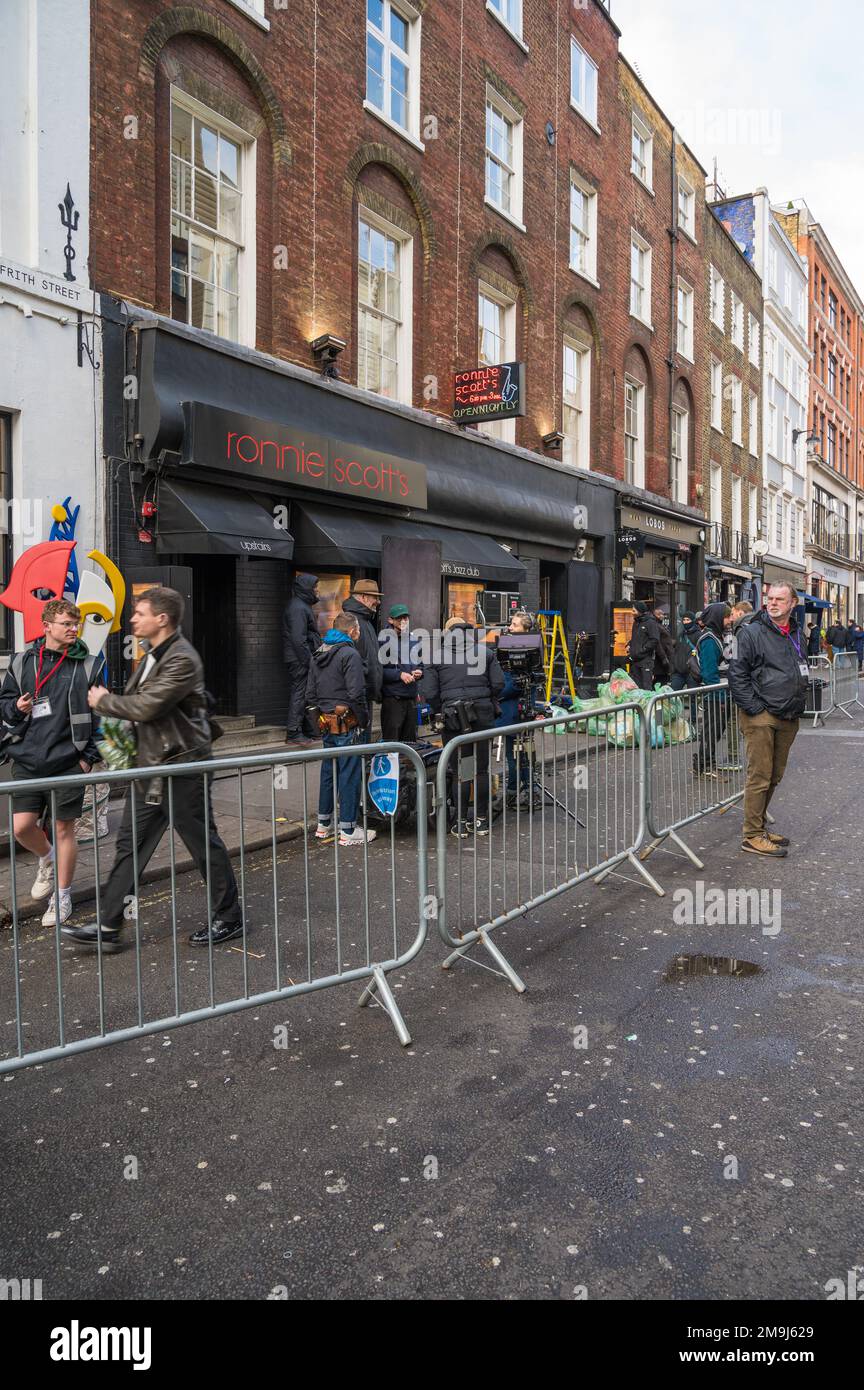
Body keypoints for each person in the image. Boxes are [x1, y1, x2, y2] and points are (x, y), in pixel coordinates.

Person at [64, 587, 244, 948]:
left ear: (161, 619)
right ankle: (109, 926)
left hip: (181, 767)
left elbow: (148, 707)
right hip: (149, 767)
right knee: (130, 846)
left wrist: (105, 701)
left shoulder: (181, 658)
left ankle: (229, 917)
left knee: (202, 844)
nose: (133, 618)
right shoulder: (151, 654)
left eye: (140, 612)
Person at [0, 599, 104, 927]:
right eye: (66, 624)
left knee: (63, 829)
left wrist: (87, 760)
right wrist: (16, 707)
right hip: (27, 759)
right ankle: (47, 859)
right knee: (21, 827)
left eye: (76, 624)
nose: (74, 629)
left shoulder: (88, 665)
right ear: (47, 627)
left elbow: (103, 716)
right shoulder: (21, 663)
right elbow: (4, 707)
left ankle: (62, 897)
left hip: (67, 763)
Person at [727, 581, 808, 858]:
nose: (773, 603)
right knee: (759, 776)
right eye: (770, 598)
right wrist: (753, 708)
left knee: (774, 776)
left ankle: (759, 827)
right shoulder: (748, 633)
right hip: (762, 715)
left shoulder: (796, 632)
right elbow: (736, 673)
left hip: (789, 714)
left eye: (780, 599)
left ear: (793, 604)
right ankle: (751, 835)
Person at [422, 616, 505, 837]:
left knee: (462, 770)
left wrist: (443, 705)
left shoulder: (435, 656)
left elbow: (429, 693)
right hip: (482, 716)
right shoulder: (485, 653)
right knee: (482, 770)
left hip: (454, 718)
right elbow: (498, 684)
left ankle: (460, 821)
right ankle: (481, 821)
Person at [307, 611, 376, 846]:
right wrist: (364, 720)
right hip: (348, 724)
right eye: (357, 630)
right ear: (352, 630)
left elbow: (309, 694)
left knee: (329, 773)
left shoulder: (318, 653)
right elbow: (357, 693)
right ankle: (348, 829)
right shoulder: (350, 654)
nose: (358, 633)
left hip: (326, 723)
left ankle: (323, 825)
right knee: (349, 774)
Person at [495, 612, 540, 809]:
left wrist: (495, 693)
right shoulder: (506, 649)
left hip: (517, 711)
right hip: (511, 712)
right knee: (515, 755)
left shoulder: (528, 653)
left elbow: (514, 684)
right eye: (511, 624)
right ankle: (523, 790)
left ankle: (523, 791)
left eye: (515, 625)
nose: (510, 628)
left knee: (518, 755)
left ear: (526, 630)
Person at [692, 602, 733, 777]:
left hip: (721, 693)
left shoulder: (718, 635)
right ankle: (705, 766)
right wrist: (720, 697)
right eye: (727, 616)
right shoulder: (709, 640)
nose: (730, 619)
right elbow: (709, 673)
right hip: (715, 695)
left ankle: (705, 764)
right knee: (711, 731)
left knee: (714, 731)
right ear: (717, 617)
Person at [282, 574, 322, 746]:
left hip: (301, 657)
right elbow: (298, 639)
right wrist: (309, 661)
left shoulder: (301, 606)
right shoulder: (299, 608)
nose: (317, 591)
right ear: (306, 588)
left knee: (305, 694)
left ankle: (307, 730)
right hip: (300, 659)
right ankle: (293, 732)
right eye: (314, 588)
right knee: (300, 693)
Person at [342, 580, 384, 742]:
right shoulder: (353, 621)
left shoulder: (365, 621)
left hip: (364, 692)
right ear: (364, 597)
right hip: (359, 694)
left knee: (361, 744)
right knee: (358, 744)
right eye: (375, 597)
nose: (378, 602)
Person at [378, 604, 423, 744]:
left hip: (411, 698)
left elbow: (421, 665)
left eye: (406, 617)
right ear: (390, 620)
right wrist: (399, 675)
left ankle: (408, 766)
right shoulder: (382, 640)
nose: (403, 621)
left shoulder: (413, 640)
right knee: (392, 744)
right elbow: (379, 672)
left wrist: (419, 672)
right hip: (393, 699)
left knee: (410, 745)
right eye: (399, 618)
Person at [627, 601, 662, 690]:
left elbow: (654, 640)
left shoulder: (650, 623)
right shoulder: (636, 623)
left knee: (646, 687)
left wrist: (642, 650)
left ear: (640, 611)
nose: (632, 613)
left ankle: (647, 704)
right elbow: (636, 638)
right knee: (636, 687)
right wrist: (630, 645)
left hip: (646, 660)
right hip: (635, 660)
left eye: (634, 611)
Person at [668, 613, 702, 693]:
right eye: (684, 620)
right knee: (672, 696)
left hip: (692, 673)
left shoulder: (698, 635)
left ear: (693, 621)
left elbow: (700, 653)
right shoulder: (681, 635)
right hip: (678, 673)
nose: (685, 622)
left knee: (693, 698)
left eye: (688, 620)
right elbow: (675, 652)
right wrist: (673, 668)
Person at [652, 604, 676, 685]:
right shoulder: (655, 626)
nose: (661, 616)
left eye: (662, 614)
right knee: (660, 682)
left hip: (664, 659)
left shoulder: (660, 625)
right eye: (659, 614)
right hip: (660, 661)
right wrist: (664, 658)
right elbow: (658, 643)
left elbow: (665, 641)